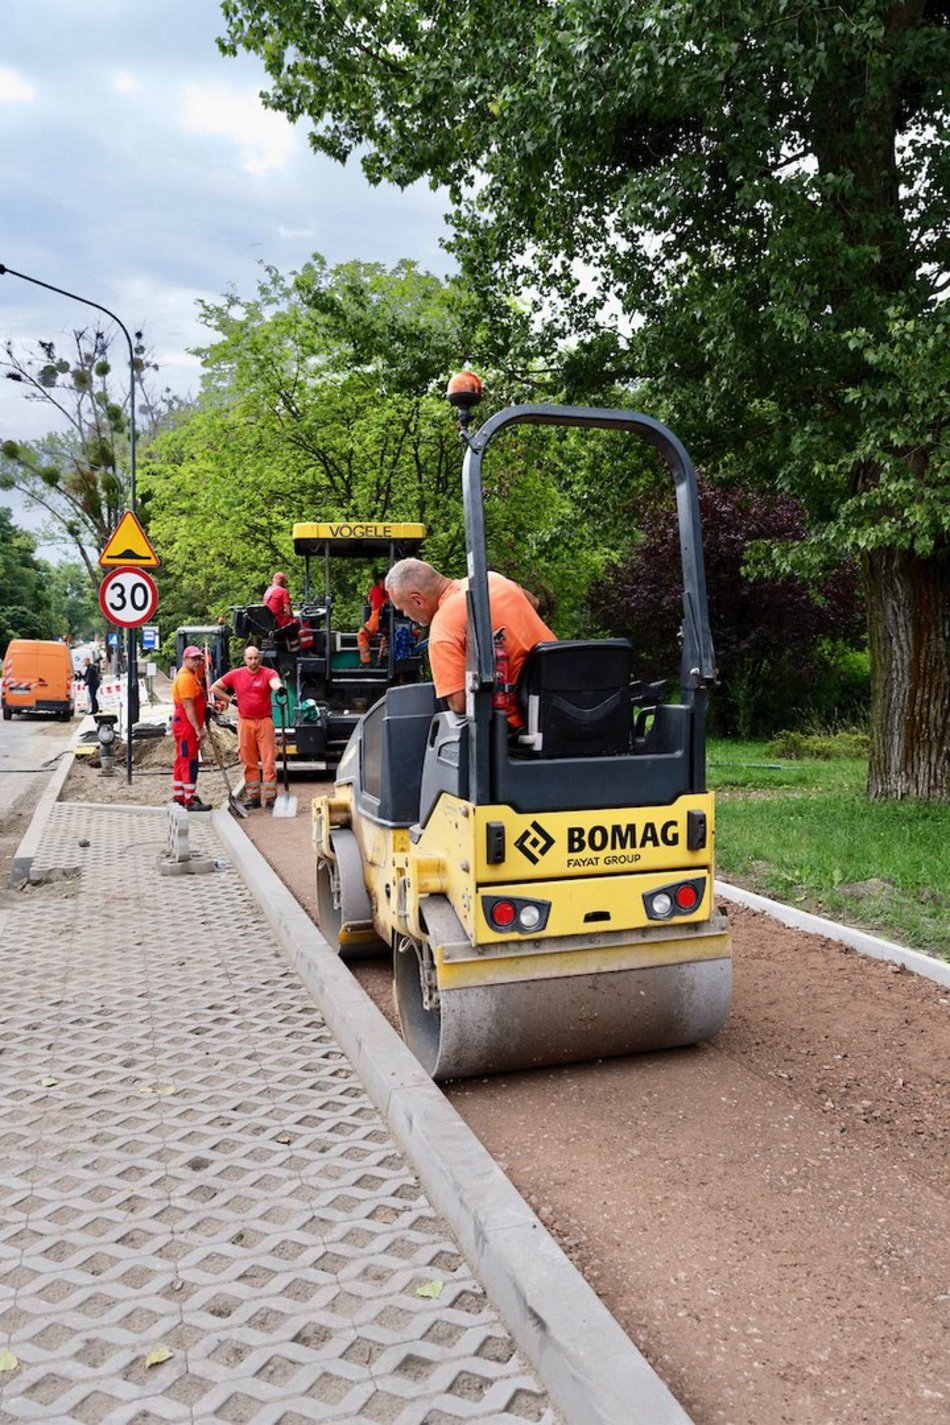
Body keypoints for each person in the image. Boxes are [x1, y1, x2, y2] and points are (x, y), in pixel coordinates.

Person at [385, 558, 555, 723]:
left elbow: (460, 704)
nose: (406, 615)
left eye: (403, 609)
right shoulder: (491, 580)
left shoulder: (443, 628)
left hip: (520, 725)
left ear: (417, 600)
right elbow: (533, 602)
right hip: (564, 700)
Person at [208, 645, 284, 809]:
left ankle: (270, 797)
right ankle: (253, 796)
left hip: (264, 721)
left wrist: (279, 688)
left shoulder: (267, 673)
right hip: (245, 722)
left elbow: (274, 681)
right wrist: (230, 699)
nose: (253, 661)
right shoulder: (236, 674)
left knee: (268, 760)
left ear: (259, 658)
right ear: (245, 659)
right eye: (250, 658)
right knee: (248, 759)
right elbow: (214, 687)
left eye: (256, 658)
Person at [170, 646, 210, 811]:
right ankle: (188, 800)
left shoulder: (189, 676)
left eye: (199, 659)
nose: (197, 662)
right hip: (186, 725)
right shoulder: (186, 679)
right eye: (194, 659)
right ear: (185, 659)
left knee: (182, 759)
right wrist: (197, 729)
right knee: (189, 760)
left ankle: (180, 795)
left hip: (184, 723)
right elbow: (188, 706)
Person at [357, 570, 390, 665]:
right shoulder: (392, 592)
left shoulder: (375, 590)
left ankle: (366, 661)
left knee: (361, 635)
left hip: (376, 621)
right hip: (388, 622)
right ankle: (381, 659)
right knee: (386, 636)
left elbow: (370, 601)